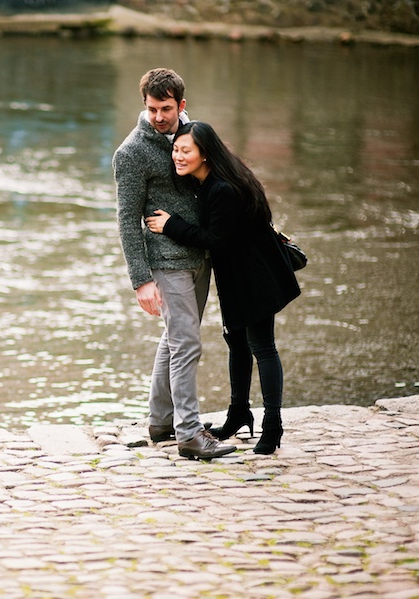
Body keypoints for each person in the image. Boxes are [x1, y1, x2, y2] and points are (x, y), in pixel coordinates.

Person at [146, 121, 301, 454]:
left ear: (205, 153)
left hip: (257, 277)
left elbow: (217, 240)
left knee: (263, 346)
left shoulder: (223, 189)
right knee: (236, 342)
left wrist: (172, 225)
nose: (178, 156)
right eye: (175, 149)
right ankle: (238, 414)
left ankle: (273, 427)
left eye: (186, 150)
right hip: (236, 275)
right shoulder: (211, 181)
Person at [113, 68, 236, 460]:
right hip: (167, 261)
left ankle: (161, 421)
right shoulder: (131, 153)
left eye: (166, 108)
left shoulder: (193, 136)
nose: (158, 116)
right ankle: (189, 433)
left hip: (200, 254)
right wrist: (140, 280)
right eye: (151, 109)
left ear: (181, 105)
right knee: (186, 343)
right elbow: (126, 219)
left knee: (174, 340)